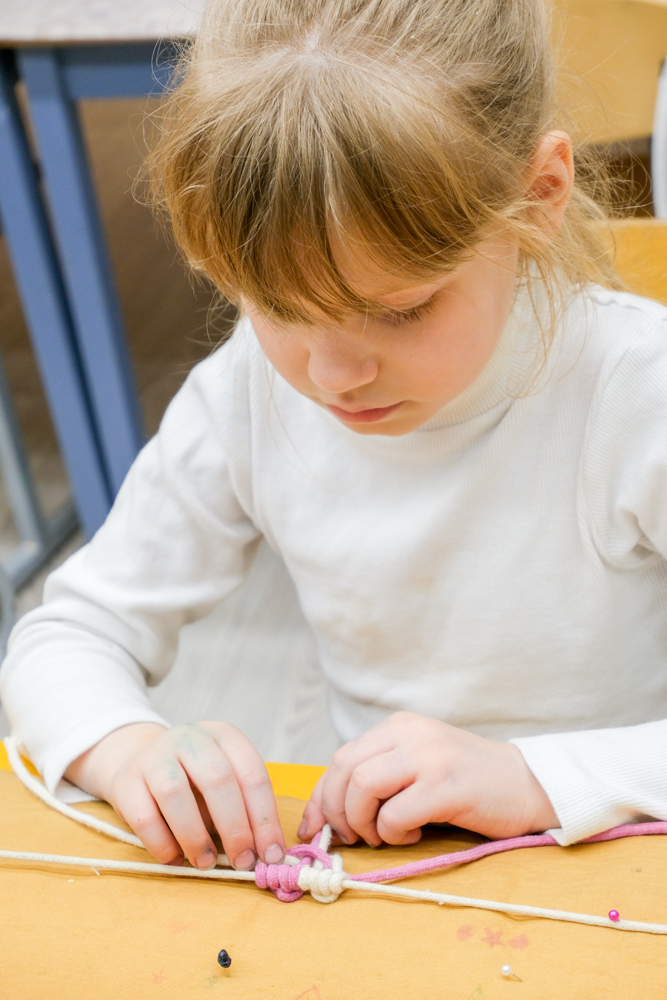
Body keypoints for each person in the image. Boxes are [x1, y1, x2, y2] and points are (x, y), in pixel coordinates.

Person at [2, 0, 667, 877]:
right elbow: (69, 634)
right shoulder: (248, 391)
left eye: (399, 310)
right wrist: (126, 749)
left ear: (539, 196)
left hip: (615, 874)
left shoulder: (635, 390)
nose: (332, 375)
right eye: (276, 305)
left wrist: (531, 777)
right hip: (389, 879)